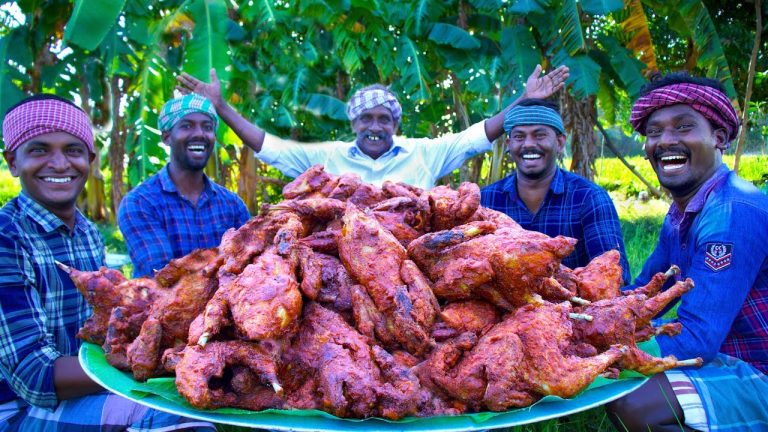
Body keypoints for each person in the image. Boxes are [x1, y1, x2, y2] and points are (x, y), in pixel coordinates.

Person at [0, 94, 214, 431]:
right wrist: (153, 362)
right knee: (172, 415)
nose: (59, 164)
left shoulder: (86, 231)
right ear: (12, 161)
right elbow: (34, 376)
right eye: (39, 150)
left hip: (86, 388)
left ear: (90, 159)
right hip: (17, 407)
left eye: (72, 150)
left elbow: (103, 328)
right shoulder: (6, 238)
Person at [605, 73, 768, 431]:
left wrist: (599, 346)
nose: (665, 141)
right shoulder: (682, 211)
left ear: (719, 137)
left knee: (635, 404)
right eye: (654, 132)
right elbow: (648, 290)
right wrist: (580, 316)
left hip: (758, 369)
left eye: (683, 127)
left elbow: (696, 337)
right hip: (727, 356)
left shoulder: (731, 212)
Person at [175, 65, 569, 190]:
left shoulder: (424, 154)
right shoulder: (327, 158)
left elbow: (480, 135)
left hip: (413, 272)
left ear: (396, 123)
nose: (375, 126)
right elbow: (270, 147)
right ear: (354, 123)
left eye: (384, 119)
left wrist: (525, 98)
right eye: (367, 118)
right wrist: (222, 107)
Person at [480, 98, 630, 281]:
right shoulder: (486, 200)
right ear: (509, 145)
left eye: (539, 135)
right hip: (501, 308)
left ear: (559, 143)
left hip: (575, 307)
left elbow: (612, 276)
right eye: (519, 136)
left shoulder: (589, 198)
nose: (528, 144)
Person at [117, 94, 251, 278]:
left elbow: (252, 264)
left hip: (226, 305)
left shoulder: (232, 204)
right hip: (164, 307)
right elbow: (164, 279)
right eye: (187, 126)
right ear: (166, 137)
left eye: (207, 127)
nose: (199, 134)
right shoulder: (140, 203)